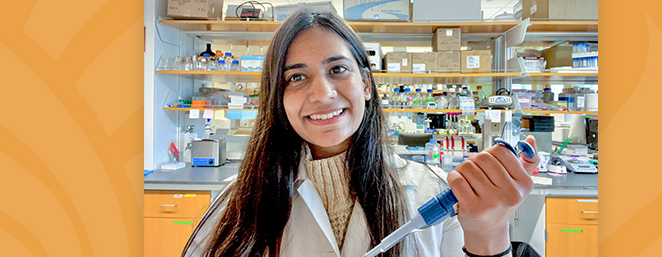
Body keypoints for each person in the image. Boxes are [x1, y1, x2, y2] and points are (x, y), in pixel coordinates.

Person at [183, 10, 539, 257]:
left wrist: (489, 232)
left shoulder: (431, 192)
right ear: (278, 97)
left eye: (337, 69)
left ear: (366, 83)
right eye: (296, 76)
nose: (322, 93)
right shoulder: (240, 199)